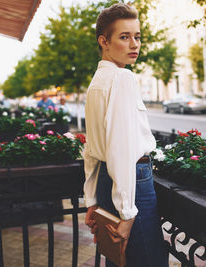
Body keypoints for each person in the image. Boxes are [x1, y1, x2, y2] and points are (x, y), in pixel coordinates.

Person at [83, 3, 169, 267]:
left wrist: (92, 199)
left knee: (120, 260)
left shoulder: (97, 83)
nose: (134, 44)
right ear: (104, 41)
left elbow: (92, 149)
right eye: (124, 37)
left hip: (110, 186)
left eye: (137, 36)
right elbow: (121, 150)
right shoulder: (122, 79)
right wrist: (129, 214)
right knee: (148, 260)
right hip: (133, 185)